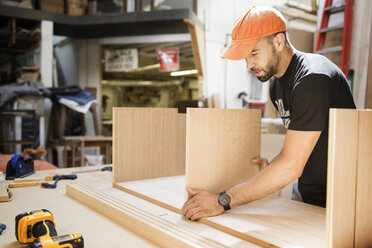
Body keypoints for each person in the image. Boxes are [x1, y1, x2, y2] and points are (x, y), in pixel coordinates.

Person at [182, 6, 356, 221]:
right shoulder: (276, 85)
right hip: (308, 193)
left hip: (343, 199)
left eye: (254, 53)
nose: (249, 65)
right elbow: (296, 148)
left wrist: (222, 200)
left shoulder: (312, 78)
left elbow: (291, 166)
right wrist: (271, 170)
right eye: (245, 57)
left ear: (279, 42)